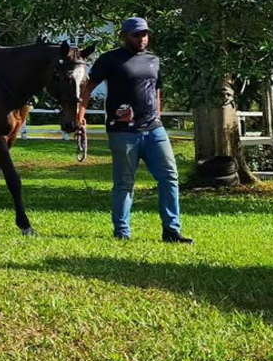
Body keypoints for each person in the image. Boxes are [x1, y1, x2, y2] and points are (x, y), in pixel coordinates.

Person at [78, 17, 192, 244]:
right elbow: (87, 88)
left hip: (154, 130)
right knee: (124, 183)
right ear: (124, 36)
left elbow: (156, 90)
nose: (142, 39)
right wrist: (80, 117)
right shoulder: (109, 59)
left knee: (170, 177)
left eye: (145, 34)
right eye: (136, 35)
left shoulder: (153, 60)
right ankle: (122, 232)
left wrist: (157, 116)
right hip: (122, 132)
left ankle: (171, 230)